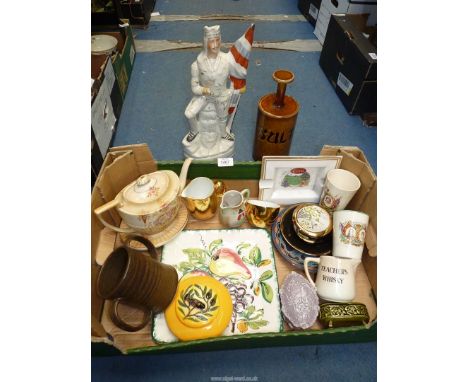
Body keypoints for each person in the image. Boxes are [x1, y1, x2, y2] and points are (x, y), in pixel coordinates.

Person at [184, 25, 244, 145]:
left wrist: (231, 90)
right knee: (189, 114)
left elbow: (234, 78)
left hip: (221, 96)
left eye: (217, 40)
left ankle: (223, 133)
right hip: (205, 96)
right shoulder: (196, 64)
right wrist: (205, 90)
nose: (215, 45)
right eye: (211, 41)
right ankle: (194, 131)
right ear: (206, 42)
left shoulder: (227, 61)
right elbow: (194, 87)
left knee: (223, 117)